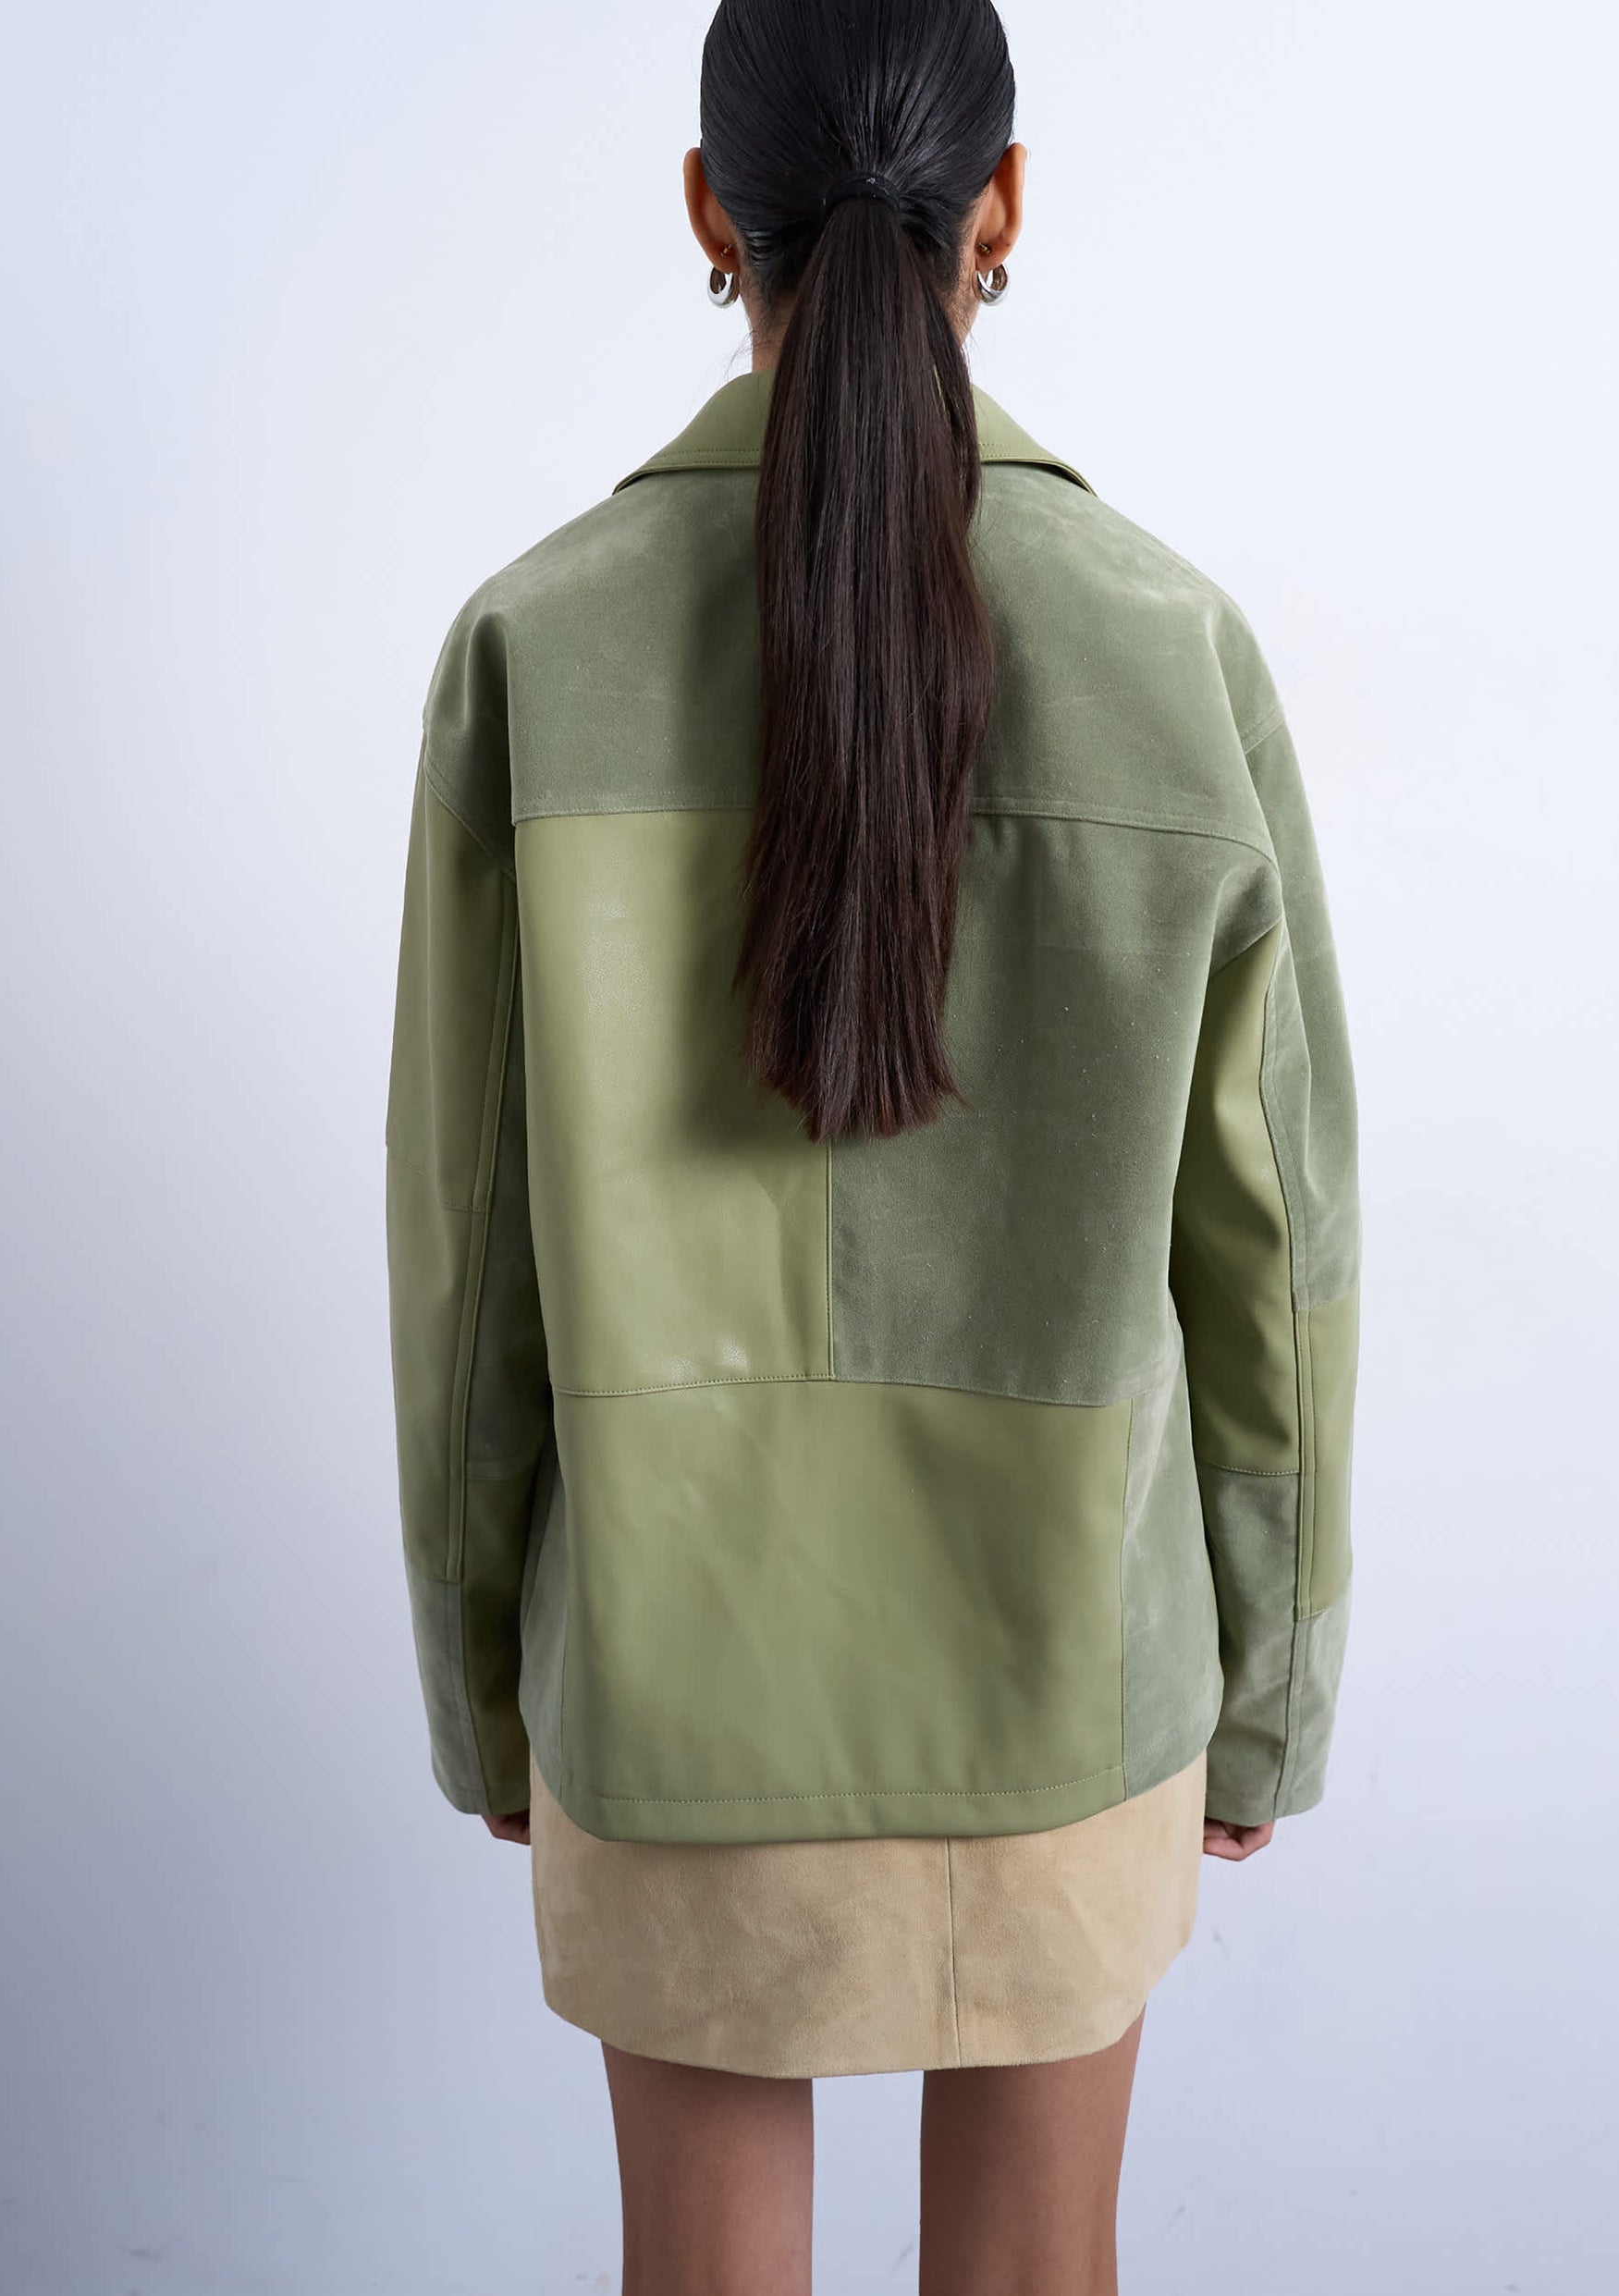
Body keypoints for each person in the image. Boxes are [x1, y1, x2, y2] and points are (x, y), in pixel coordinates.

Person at [384, 2, 1360, 2289]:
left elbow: (467, 1250)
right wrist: (1267, 1705)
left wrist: (487, 1689)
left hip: (667, 1685)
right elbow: (1276, 1249)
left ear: (708, 209)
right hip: (1069, 1681)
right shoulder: (1173, 649)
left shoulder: (530, 648)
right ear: (998, 204)